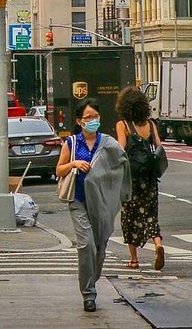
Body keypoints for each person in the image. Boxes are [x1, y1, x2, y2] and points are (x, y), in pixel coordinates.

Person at [55, 98, 131, 313]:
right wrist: (73, 164)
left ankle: (92, 279)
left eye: (95, 117)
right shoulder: (71, 143)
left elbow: (121, 162)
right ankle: (89, 294)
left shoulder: (107, 142)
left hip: (102, 203)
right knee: (86, 245)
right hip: (78, 200)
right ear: (79, 121)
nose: (92, 121)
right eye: (88, 118)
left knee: (99, 246)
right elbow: (59, 170)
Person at [115, 86, 165, 271]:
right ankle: (158, 244)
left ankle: (134, 259)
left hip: (131, 178)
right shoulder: (150, 124)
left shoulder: (124, 125)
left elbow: (121, 148)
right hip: (150, 178)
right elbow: (159, 146)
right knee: (151, 215)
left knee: (129, 217)